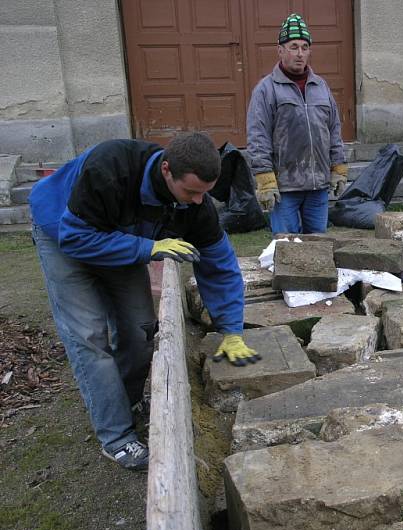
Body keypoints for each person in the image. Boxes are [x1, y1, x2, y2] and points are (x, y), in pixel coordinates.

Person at [28, 132, 261, 471]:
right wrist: (147, 248)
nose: (198, 202)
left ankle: (128, 401)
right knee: (90, 337)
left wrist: (231, 330)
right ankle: (117, 437)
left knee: (139, 330)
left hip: (118, 238)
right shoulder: (111, 166)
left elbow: (219, 265)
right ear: (166, 169)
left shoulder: (196, 206)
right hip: (62, 234)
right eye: (191, 192)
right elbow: (76, 238)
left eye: (205, 194)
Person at [247, 13, 347, 234]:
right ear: (280, 50)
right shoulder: (266, 90)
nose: (300, 53)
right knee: (286, 249)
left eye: (304, 47)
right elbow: (258, 137)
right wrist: (265, 179)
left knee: (318, 249)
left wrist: (338, 168)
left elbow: (334, 130)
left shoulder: (321, 86)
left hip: (318, 187)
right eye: (293, 47)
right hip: (285, 188)